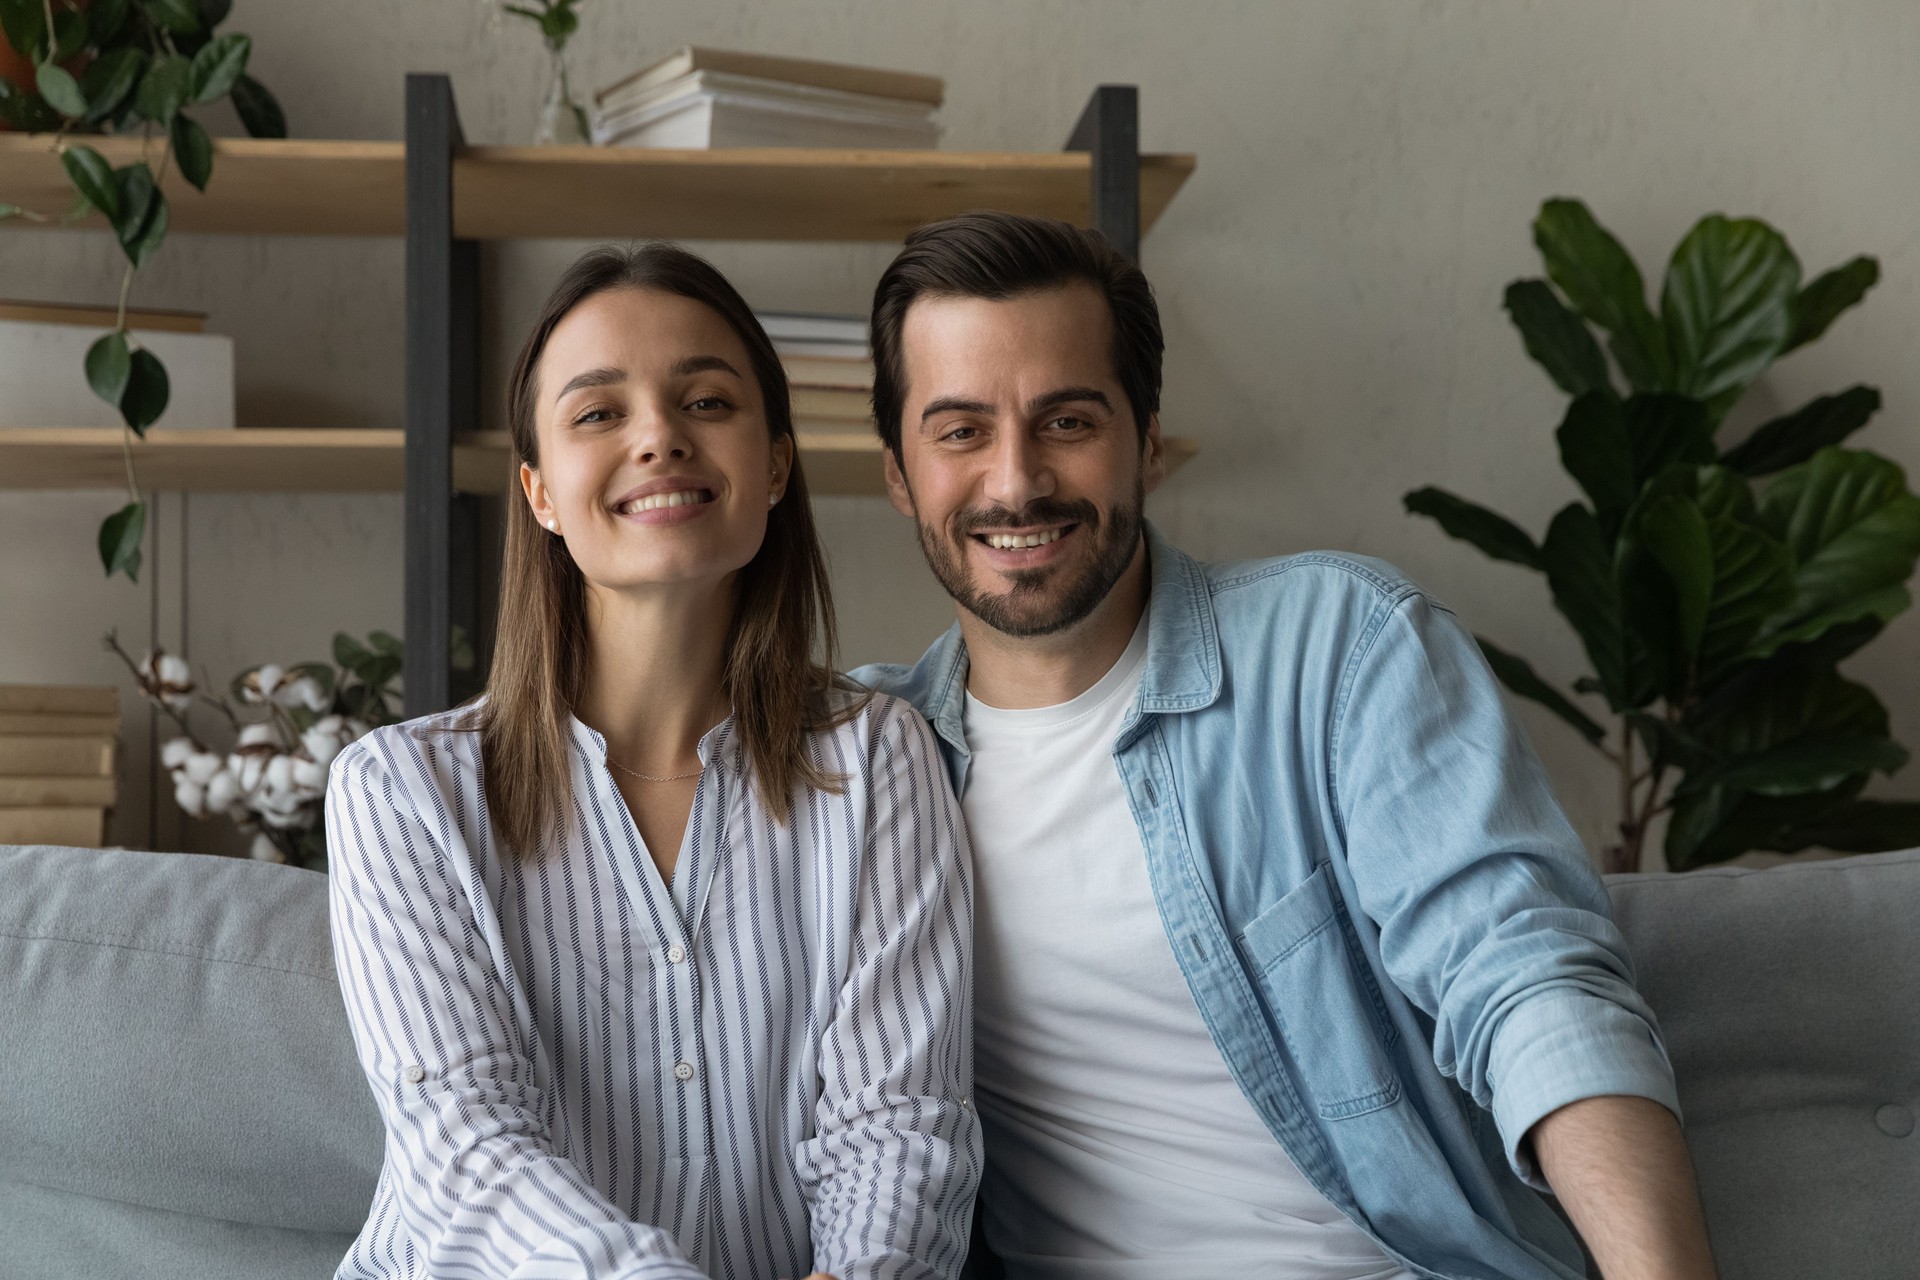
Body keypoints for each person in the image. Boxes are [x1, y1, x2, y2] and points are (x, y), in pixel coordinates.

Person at [853, 211, 1719, 1280]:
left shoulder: (1341, 650)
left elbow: (1525, 975)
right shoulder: (866, 766)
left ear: (1148, 440)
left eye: (1068, 419)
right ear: (899, 472)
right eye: (960, 431)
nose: (1017, 480)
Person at [326, 243, 980, 1280]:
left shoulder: (878, 758)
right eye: (598, 412)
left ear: (774, 463)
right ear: (539, 491)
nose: (660, 437)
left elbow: (897, 1125)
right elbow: (469, 1148)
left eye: (708, 400)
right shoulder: (401, 793)